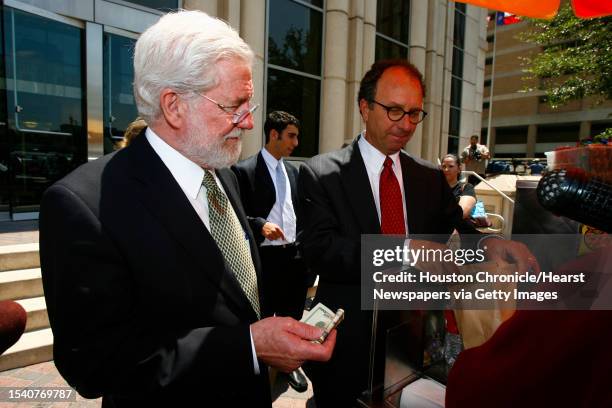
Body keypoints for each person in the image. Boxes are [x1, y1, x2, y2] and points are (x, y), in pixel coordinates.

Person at [38, 11, 335, 407]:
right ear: (174, 106)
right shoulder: (82, 206)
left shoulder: (219, 171)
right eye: (234, 106)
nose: (248, 123)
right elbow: (94, 365)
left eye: (250, 104)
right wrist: (248, 345)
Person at [298, 59, 538, 407]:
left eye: (414, 113)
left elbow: (458, 224)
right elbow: (321, 250)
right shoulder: (320, 173)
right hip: (349, 344)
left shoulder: (428, 176)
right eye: (394, 111)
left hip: (417, 342)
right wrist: (406, 249)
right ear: (364, 107)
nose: (406, 124)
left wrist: (490, 243)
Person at [232, 111, 309, 392]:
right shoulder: (244, 170)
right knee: (263, 318)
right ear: (273, 134)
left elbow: (300, 211)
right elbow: (237, 216)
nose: (296, 142)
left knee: (291, 316)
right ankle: (261, 366)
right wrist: (261, 225)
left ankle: (290, 364)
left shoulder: (294, 172)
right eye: (291, 135)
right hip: (264, 260)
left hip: (293, 258)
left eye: (297, 136)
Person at [441, 153, 476, 219]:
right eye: (444, 166)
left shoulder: (466, 187)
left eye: (450, 166)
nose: (446, 170)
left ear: (459, 168)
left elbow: (462, 212)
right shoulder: (435, 187)